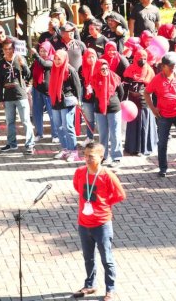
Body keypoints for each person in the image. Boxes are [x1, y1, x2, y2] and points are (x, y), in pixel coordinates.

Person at [72, 143, 126, 301]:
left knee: (106, 258)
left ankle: (110, 288)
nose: (87, 159)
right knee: (88, 257)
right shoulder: (80, 172)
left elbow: (120, 195)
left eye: (91, 156)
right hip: (83, 223)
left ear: (101, 157)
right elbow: (77, 188)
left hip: (102, 224)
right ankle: (90, 284)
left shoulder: (107, 175)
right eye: (85, 155)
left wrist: (105, 203)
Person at [144, 52, 176, 177]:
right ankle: (163, 168)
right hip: (163, 116)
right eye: (171, 66)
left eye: (174, 65)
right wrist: (153, 108)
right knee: (162, 143)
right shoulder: (157, 79)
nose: (173, 68)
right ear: (163, 66)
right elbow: (146, 93)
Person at [0, 40, 35, 154]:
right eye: (5, 49)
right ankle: (12, 143)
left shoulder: (20, 59)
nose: (8, 51)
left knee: (25, 121)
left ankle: (30, 145)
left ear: (13, 49)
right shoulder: (1, 63)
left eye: (10, 49)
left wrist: (23, 65)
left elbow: (28, 76)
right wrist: (0, 98)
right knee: (10, 122)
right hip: (8, 97)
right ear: (3, 50)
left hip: (21, 95)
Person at [49, 49, 82, 162]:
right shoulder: (53, 69)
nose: (57, 61)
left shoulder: (70, 70)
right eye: (55, 59)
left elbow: (77, 86)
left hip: (67, 101)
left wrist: (79, 100)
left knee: (68, 126)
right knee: (58, 126)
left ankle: (73, 151)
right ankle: (65, 149)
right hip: (55, 101)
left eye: (59, 59)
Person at [122, 49, 158, 156]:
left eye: (144, 58)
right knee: (133, 124)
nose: (142, 60)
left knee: (144, 124)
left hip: (144, 102)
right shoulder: (130, 69)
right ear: (135, 58)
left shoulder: (149, 71)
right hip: (132, 103)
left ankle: (143, 148)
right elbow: (126, 85)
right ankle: (132, 147)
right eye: (140, 58)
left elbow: (152, 88)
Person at [92, 59, 124, 167]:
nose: (105, 70)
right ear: (97, 69)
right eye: (102, 69)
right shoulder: (94, 79)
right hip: (100, 109)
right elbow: (92, 95)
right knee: (103, 134)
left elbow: (121, 93)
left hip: (114, 108)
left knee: (115, 133)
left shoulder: (114, 77)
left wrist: (112, 101)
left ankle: (116, 157)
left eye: (106, 68)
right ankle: (104, 156)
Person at [29, 42, 59, 143]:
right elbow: (30, 72)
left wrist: (36, 55)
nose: (42, 53)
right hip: (37, 89)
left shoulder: (52, 60)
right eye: (41, 51)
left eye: (44, 51)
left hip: (48, 92)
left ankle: (55, 134)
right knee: (37, 112)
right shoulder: (36, 61)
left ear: (49, 51)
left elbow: (45, 64)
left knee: (52, 113)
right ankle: (39, 133)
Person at [79, 49, 99, 147]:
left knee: (100, 119)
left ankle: (102, 138)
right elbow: (79, 84)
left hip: (98, 97)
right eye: (89, 57)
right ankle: (89, 137)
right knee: (89, 119)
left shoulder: (100, 67)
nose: (91, 59)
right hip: (87, 97)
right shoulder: (81, 68)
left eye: (93, 57)